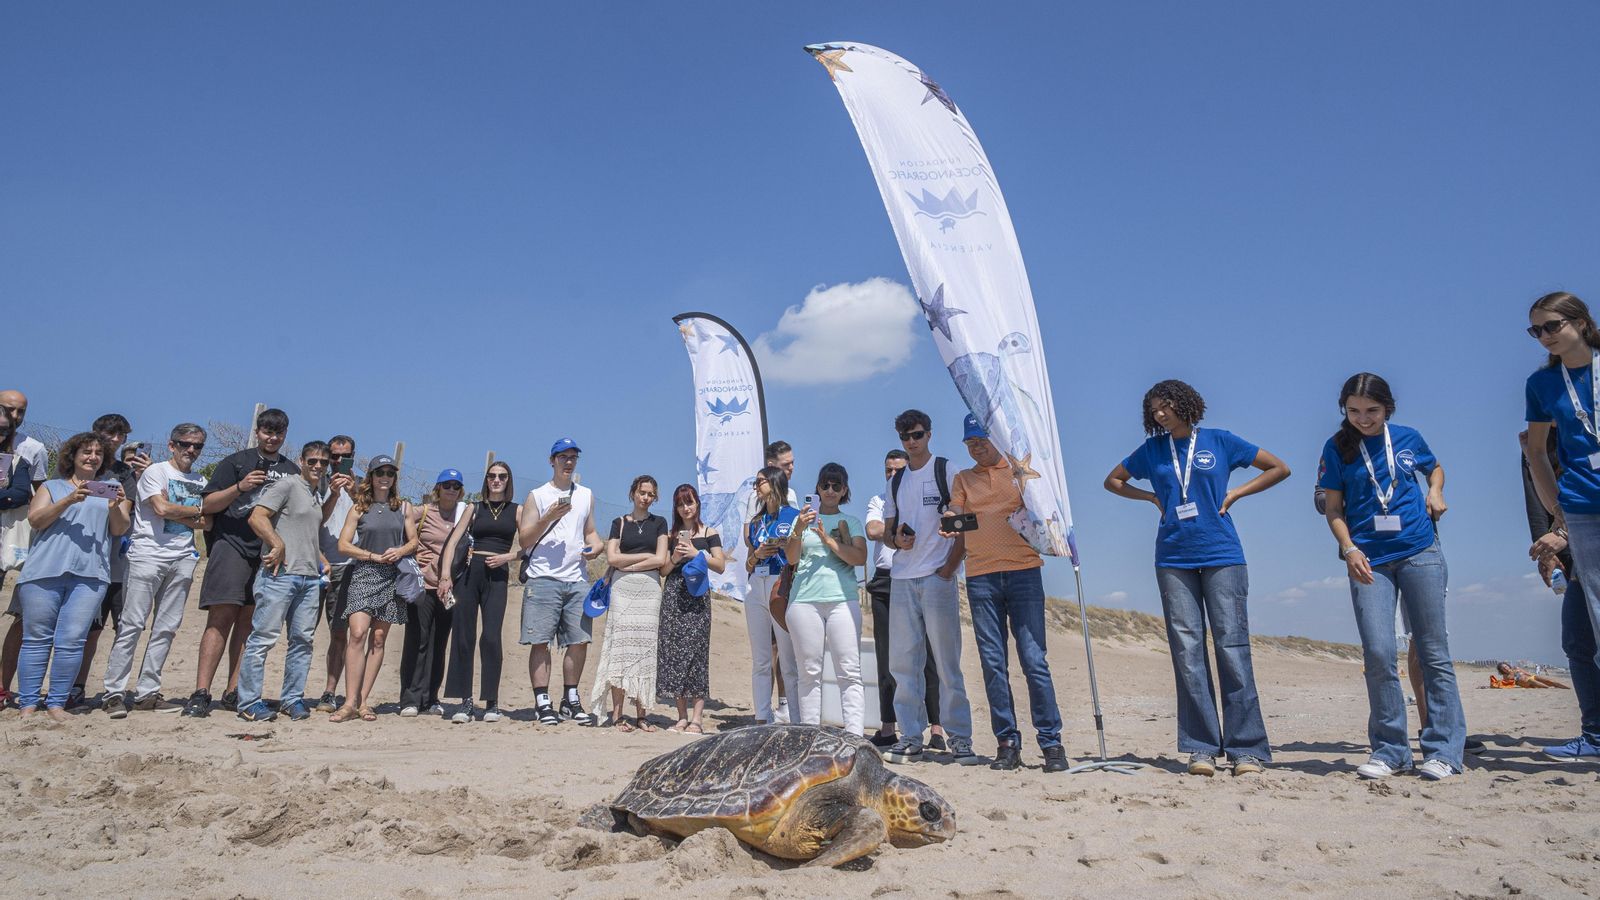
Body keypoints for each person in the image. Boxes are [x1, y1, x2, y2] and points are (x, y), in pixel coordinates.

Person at [1104, 382, 1289, 776]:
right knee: (1187, 653)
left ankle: (1247, 749)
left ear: (1185, 403)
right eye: (1153, 410)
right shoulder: (1152, 450)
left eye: (1166, 406)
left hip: (1223, 554)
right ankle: (1201, 747)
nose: (1160, 414)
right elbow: (1113, 481)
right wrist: (1151, 499)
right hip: (1172, 557)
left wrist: (1236, 493)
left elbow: (1279, 468)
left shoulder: (1221, 441)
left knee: (1232, 648)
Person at [1319, 373, 1464, 781]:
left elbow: (1435, 468)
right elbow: (1332, 509)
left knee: (1433, 652)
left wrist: (1435, 492)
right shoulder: (1336, 448)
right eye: (1353, 411)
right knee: (1379, 653)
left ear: (1388, 409)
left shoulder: (1409, 437)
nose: (1362, 419)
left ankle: (1444, 751)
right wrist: (1349, 549)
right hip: (1369, 561)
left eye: (1372, 411)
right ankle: (1390, 751)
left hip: (1420, 552)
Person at [951, 414, 1072, 773]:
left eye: (981, 440)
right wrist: (949, 518)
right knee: (992, 663)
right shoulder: (962, 479)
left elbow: (1047, 507)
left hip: (1024, 572)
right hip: (981, 576)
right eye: (970, 442)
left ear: (997, 439)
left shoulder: (1021, 470)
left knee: (1034, 661)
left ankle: (1051, 744)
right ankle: (1007, 743)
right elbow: (955, 510)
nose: (976, 447)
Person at [181, 408, 300, 718]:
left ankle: (234, 691)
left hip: (266, 554)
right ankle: (201, 692)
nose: (272, 437)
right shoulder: (236, 462)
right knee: (220, 619)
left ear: (285, 435)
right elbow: (206, 505)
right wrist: (240, 487)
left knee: (249, 624)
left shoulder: (291, 471)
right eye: (267, 431)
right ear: (257, 431)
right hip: (230, 545)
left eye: (278, 433)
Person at [1525, 291, 1600, 761]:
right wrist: (1558, 508)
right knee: (1588, 624)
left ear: (1580, 320)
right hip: (1584, 509)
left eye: (1552, 326)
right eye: (1536, 331)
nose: (1545, 337)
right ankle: (1594, 736)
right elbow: (1534, 450)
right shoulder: (1542, 384)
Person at [880, 410, 979, 766]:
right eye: (905, 436)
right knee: (903, 662)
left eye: (917, 435)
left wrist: (950, 567)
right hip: (903, 577)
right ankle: (910, 735)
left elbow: (961, 518)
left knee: (947, 660)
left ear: (929, 434)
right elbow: (890, 532)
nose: (911, 442)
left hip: (938, 577)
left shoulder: (946, 469)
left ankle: (960, 738)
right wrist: (897, 540)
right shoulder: (896, 481)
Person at [13, 432, 132, 719]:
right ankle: (28, 702)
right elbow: (36, 520)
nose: (92, 457)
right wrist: (68, 500)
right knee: (36, 639)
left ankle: (56, 703)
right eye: (86, 452)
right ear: (72, 456)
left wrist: (116, 507)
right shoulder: (52, 487)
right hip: (43, 572)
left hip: (91, 575)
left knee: (72, 639)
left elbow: (119, 529)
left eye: (98, 453)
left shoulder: (111, 487)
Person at [101, 424, 210, 717]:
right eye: (185, 444)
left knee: (167, 628)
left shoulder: (201, 479)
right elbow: (160, 509)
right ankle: (114, 692)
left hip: (183, 557)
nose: (191, 450)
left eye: (197, 446)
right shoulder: (155, 472)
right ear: (171, 444)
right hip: (148, 554)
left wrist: (185, 511)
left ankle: (148, 692)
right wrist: (195, 510)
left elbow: (207, 523)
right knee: (132, 624)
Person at [236, 440, 331, 722]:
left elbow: (305, 533)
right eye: (312, 461)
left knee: (302, 640)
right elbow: (257, 517)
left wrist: (321, 560)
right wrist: (276, 543)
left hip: (309, 578)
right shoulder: (287, 485)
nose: (318, 466)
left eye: (323, 462)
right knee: (263, 639)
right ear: (301, 460)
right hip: (279, 576)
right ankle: (248, 702)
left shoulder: (316, 493)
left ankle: (292, 699)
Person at [1520, 427, 1600, 759]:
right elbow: (1536, 497)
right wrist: (1548, 546)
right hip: (1577, 553)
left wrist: (1564, 532)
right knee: (1578, 641)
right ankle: (1595, 736)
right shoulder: (1536, 439)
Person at [516, 438, 603, 726]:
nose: (568, 461)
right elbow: (525, 539)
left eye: (573, 457)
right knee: (540, 641)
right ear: (551, 460)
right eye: (562, 456)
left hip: (577, 579)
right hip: (543, 578)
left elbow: (590, 532)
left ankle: (571, 699)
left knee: (578, 642)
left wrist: (596, 547)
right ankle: (542, 701)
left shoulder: (586, 495)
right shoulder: (537, 496)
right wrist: (548, 517)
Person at [864, 449, 945, 749]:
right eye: (888, 470)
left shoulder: (919, 496)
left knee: (929, 655)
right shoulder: (879, 500)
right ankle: (889, 726)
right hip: (887, 579)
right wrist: (892, 531)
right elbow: (872, 529)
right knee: (888, 657)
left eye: (899, 469)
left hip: (920, 574)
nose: (893, 474)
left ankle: (936, 728)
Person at [68, 413, 149, 709]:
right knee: (86, 631)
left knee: (124, 629)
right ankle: (74, 686)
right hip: (81, 562)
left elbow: (124, 519)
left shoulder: (123, 473)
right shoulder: (77, 465)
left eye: (120, 435)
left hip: (116, 564)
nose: (113, 439)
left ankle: (114, 691)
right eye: (108, 433)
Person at [332, 455, 416, 722]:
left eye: (390, 473)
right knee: (356, 634)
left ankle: (364, 702)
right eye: (380, 472)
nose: (385, 476)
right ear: (370, 476)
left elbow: (413, 542)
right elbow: (343, 545)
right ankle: (349, 702)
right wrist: (370, 556)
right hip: (364, 572)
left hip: (392, 576)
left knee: (378, 640)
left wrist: (399, 550)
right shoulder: (359, 507)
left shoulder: (403, 507)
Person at [785, 463, 867, 733]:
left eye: (836, 486)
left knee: (849, 671)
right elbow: (791, 558)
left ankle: (854, 736)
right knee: (809, 671)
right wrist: (799, 527)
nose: (830, 490)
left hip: (842, 599)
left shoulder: (851, 522)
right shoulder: (803, 521)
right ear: (817, 489)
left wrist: (830, 541)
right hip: (804, 599)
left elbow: (859, 558)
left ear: (844, 490)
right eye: (825, 485)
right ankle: (810, 734)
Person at [439, 460, 520, 723]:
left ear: (509, 481)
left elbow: (530, 545)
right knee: (464, 635)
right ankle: (465, 701)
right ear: (486, 480)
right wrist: (445, 576)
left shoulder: (516, 511)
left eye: (502, 476)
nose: (497, 480)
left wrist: (507, 557)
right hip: (470, 572)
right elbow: (453, 541)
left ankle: (492, 702)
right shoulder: (474, 508)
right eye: (492, 476)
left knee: (492, 637)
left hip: (497, 575)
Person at [591, 475, 670, 730]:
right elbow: (611, 557)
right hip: (622, 589)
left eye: (650, 494)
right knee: (621, 651)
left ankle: (642, 715)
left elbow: (660, 559)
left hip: (648, 590)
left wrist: (634, 562)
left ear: (655, 497)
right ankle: (617, 715)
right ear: (632, 493)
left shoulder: (660, 523)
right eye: (642, 492)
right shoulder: (619, 523)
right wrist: (643, 558)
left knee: (645, 652)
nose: (645, 497)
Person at [398, 469, 467, 717]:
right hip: (423, 587)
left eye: (456, 486)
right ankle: (410, 698)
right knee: (418, 640)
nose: (451, 489)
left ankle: (431, 698)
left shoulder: (464, 515)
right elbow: (399, 522)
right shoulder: (424, 511)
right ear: (437, 488)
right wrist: (412, 554)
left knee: (439, 643)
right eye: (446, 485)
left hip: (450, 589)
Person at [657, 483, 725, 733]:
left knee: (697, 655)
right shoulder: (670, 535)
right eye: (681, 503)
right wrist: (674, 557)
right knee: (674, 655)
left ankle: (697, 718)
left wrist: (697, 553)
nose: (686, 508)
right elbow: (663, 570)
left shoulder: (709, 532)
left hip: (697, 596)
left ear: (698, 503)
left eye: (690, 502)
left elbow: (720, 565)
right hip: (674, 596)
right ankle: (681, 716)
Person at [743, 465, 801, 726]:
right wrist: (757, 555)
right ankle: (762, 717)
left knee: (788, 658)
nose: (756, 487)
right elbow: (747, 563)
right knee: (761, 658)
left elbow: (800, 555)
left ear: (775, 483)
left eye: (760, 481)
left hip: (781, 583)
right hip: (756, 584)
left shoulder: (793, 515)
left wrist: (781, 547)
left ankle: (797, 718)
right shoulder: (756, 521)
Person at [0, 389, 47, 703]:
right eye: (8, 410)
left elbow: (36, 494)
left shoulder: (33, 448)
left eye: (20, 412)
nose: (14, 417)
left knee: (23, 615)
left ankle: (3, 686)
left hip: (18, 538)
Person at [312, 434, 358, 713]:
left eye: (345, 456)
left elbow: (369, 522)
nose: (338, 461)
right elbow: (315, 519)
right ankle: (292, 692)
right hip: (313, 565)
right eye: (334, 455)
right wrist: (334, 493)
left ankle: (330, 692)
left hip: (346, 568)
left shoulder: (364, 486)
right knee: (302, 632)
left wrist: (352, 493)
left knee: (339, 634)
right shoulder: (315, 481)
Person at [1491, 662, 1568, 689]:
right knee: (1532, 681)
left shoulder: (1516, 668)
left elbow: (1527, 673)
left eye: (1506, 666)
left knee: (1550, 681)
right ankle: (1548, 688)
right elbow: (1507, 684)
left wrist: (1534, 676)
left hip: (1530, 677)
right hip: (1525, 682)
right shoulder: (1506, 676)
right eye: (1503, 668)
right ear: (1501, 670)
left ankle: (1566, 688)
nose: (1506, 668)